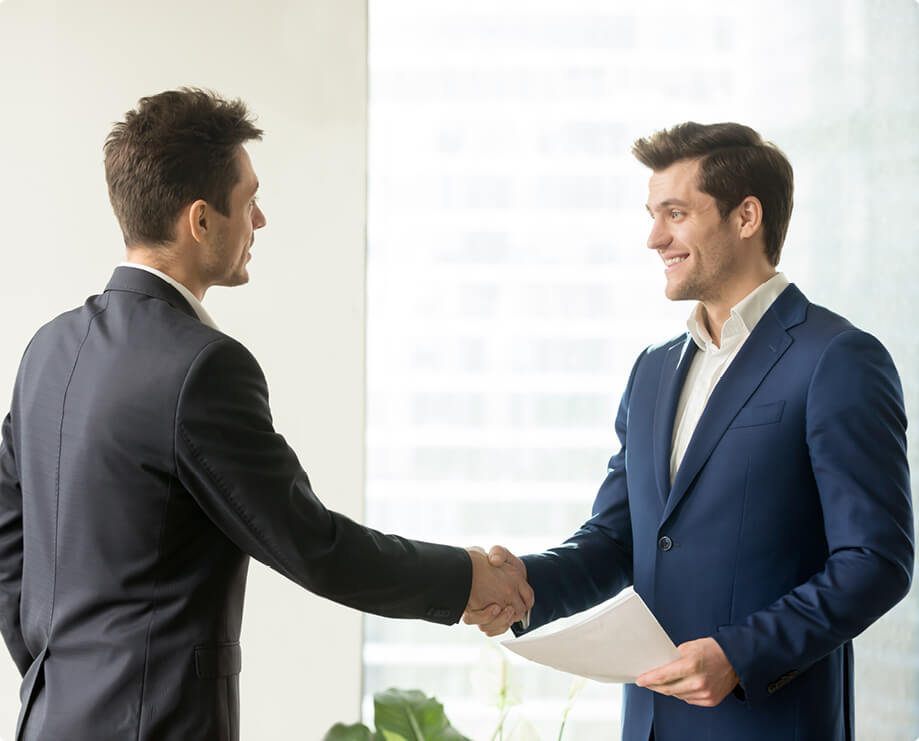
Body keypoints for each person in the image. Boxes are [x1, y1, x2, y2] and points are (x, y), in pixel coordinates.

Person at [0, 88, 533, 741]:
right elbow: (313, 546)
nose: (260, 221)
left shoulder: (48, 347)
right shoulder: (201, 367)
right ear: (200, 220)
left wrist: (54, 672)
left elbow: (7, 530)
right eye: (248, 200)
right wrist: (466, 576)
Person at [464, 122, 914, 740]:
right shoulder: (652, 371)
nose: (653, 238)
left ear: (746, 216)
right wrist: (526, 583)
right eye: (652, 215)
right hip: (649, 724)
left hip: (771, 724)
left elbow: (876, 561)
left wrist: (741, 653)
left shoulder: (837, 358)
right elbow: (620, 537)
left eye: (675, 213)